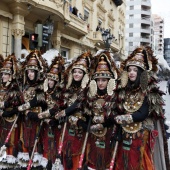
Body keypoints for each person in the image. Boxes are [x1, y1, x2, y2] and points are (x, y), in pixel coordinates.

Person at [114, 54, 166, 170]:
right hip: (124, 133)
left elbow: (142, 113)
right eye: (129, 70)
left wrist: (122, 118)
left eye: (135, 70)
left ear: (141, 73)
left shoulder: (148, 90)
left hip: (141, 133)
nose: (131, 72)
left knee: (138, 162)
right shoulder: (124, 90)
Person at [52, 52, 92, 170]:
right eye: (75, 71)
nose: (76, 74)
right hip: (66, 126)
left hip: (80, 128)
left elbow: (77, 105)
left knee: (77, 156)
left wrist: (63, 113)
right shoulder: (68, 88)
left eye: (80, 72)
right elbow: (61, 103)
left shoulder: (87, 90)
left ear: (84, 75)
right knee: (65, 154)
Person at [84, 51, 119, 170]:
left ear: (109, 81)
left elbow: (115, 116)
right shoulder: (91, 96)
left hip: (109, 136)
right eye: (98, 80)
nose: (100, 83)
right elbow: (87, 114)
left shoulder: (115, 97)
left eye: (103, 80)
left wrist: (104, 121)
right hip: (93, 137)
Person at [17, 50, 48, 169]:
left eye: (33, 71)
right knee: (25, 140)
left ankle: (35, 164)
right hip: (25, 119)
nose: (30, 74)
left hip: (36, 118)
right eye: (28, 71)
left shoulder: (40, 85)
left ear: (37, 73)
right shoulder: (24, 86)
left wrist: (24, 108)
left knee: (36, 142)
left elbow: (38, 100)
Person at [38, 55, 65, 169]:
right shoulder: (45, 92)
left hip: (57, 124)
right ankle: (47, 163)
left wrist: (41, 115)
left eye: (52, 80)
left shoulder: (60, 93)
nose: (50, 82)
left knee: (55, 146)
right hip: (46, 124)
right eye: (48, 79)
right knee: (46, 145)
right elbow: (39, 103)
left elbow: (57, 109)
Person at [0, 55, 22, 169]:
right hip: (2, 121)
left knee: (10, 144)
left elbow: (18, 105)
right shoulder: (1, 87)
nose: (3, 76)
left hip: (11, 120)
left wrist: (7, 110)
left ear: (11, 76)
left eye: (6, 74)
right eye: (2, 74)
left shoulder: (15, 89)